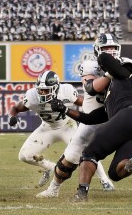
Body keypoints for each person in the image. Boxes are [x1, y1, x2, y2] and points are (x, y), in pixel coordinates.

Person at [49, 50, 132, 202]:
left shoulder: (127, 70)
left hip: (126, 116)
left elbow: (104, 57)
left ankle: (82, 193)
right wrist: (65, 109)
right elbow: (88, 118)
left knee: (89, 153)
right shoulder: (114, 96)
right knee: (115, 173)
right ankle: (130, 164)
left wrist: (105, 69)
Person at [37, 35, 117, 198]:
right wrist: (110, 74)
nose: (110, 52)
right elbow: (90, 88)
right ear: (97, 51)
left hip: (116, 115)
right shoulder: (90, 66)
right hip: (93, 117)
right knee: (71, 156)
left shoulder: (126, 64)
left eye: (113, 49)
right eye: (105, 49)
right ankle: (53, 189)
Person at [8, 70, 80, 188]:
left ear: (55, 88)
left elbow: (84, 102)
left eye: (46, 90)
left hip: (67, 126)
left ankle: (104, 180)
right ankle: (50, 167)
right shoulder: (32, 96)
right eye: (41, 89)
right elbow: (15, 108)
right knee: (24, 156)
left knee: (83, 153)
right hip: (47, 127)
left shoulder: (66, 91)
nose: (42, 92)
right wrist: (12, 116)